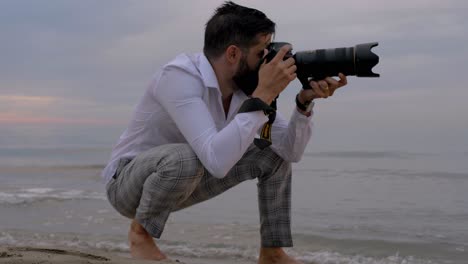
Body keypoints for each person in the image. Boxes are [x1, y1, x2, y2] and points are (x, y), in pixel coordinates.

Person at [102, 1, 347, 263]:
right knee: (189, 156)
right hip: (128, 185)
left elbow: (289, 152)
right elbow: (215, 162)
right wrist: (263, 94)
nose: (268, 62)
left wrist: (303, 103)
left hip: (183, 181)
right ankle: (140, 235)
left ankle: (272, 253)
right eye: (261, 53)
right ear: (233, 54)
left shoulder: (244, 90)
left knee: (272, 156)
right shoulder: (179, 77)